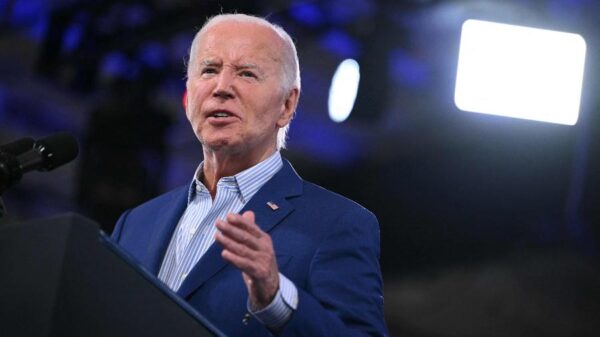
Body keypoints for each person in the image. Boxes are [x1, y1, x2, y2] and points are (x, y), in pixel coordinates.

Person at [111, 13, 388, 337]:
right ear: (189, 94)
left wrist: (276, 298)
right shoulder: (134, 224)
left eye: (246, 73)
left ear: (286, 105)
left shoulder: (337, 224)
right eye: (209, 70)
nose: (222, 87)